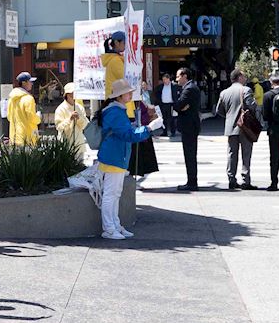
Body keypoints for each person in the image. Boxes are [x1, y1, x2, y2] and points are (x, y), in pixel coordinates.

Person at [95, 79, 164, 239]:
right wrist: (149, 128)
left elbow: (125, 132)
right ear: (119, 95)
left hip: (116, 156)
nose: (131, 94)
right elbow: (128, 135)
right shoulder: (115, 112)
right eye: (128, 92)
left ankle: (114, 226)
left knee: (114, 194)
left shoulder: (116, 110)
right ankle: (109, 229)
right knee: (111, 194)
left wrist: (144, 128)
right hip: (114, 156)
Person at [215, 71, 258, 190]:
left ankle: (231, 179)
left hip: (230, 127)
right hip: (245, 127)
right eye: (244, 76)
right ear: (239, 77)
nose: (245, 78)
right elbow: (252, 106)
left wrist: (229, 117)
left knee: (232, 154)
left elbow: (218, 110)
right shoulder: (246, 90)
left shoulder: (224, 92)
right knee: (246, 154)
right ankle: (245, 180)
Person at [174, 67, 202, 191]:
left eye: (178, 76)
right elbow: (181, 106)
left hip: (189, 126)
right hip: (190, 126)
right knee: (190, 155)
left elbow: (178, 105)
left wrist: (180, 107)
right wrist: (181, 107)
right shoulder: (189, 88)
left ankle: (192, 182)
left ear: (185, 76)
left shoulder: (189, 89)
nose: (176, 79)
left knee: (190, 155)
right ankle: (191, 181)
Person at [54, 82, 89, 160]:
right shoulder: (60, 109)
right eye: (72, 93)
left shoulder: (80, 108)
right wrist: (69, 119)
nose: (74, 96)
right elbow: (59, 127)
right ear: (67, 94)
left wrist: (79, 118)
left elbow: (85, 125)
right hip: (66, 146)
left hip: (79, 145)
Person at [6, 72, 40, 145]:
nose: (32, 84)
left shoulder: (11, 99)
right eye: (30, 82)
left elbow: (9, 116)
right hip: (27, 137)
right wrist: (38, 118)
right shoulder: (29, 98)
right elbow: (31, 118)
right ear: (24, 83)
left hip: (14, 136)